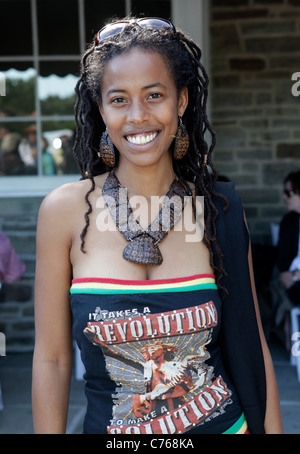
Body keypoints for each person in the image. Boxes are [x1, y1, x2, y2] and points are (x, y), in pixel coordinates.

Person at [32, 17, 283, 434]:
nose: (138, 116)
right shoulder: (64, 212)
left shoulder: (219, 208)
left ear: (181, 101)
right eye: (118, 99)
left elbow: (252, 345)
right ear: (101, 107)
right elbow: (52, 360)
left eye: (154, 95)